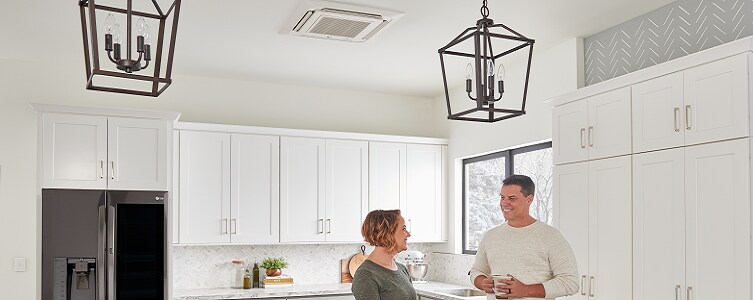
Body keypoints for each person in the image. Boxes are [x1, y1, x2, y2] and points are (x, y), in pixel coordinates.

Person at [470, 174, 579, 299]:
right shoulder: (491, 236)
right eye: (502, 197)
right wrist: (483, 283)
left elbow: (571, 282)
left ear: (529, 199)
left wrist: (525, 290)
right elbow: (476, 272)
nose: (504, 203)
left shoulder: (550, 236)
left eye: (512, 198)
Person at [351, 209, 416, 300]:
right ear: (387, 233)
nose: (408, 234)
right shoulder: (366, 275)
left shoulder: (402, 269)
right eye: (404, 229)